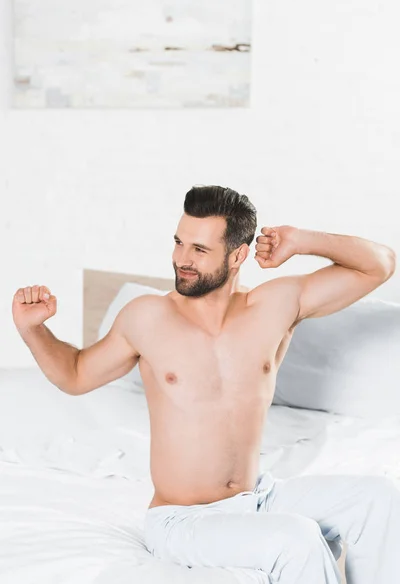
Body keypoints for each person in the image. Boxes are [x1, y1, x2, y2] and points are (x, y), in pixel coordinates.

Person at [12, 185, 399, 583]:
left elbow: (379, 265)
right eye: (179, 243)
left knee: (379, 498)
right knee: (297, 539)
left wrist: (301, 240)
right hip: (182, 521)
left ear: (238, 256)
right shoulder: (147, 317)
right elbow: (75, 375)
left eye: (199, 250)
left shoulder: (274, 306)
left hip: (256, 499)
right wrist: (33, 330)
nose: (181, 259)